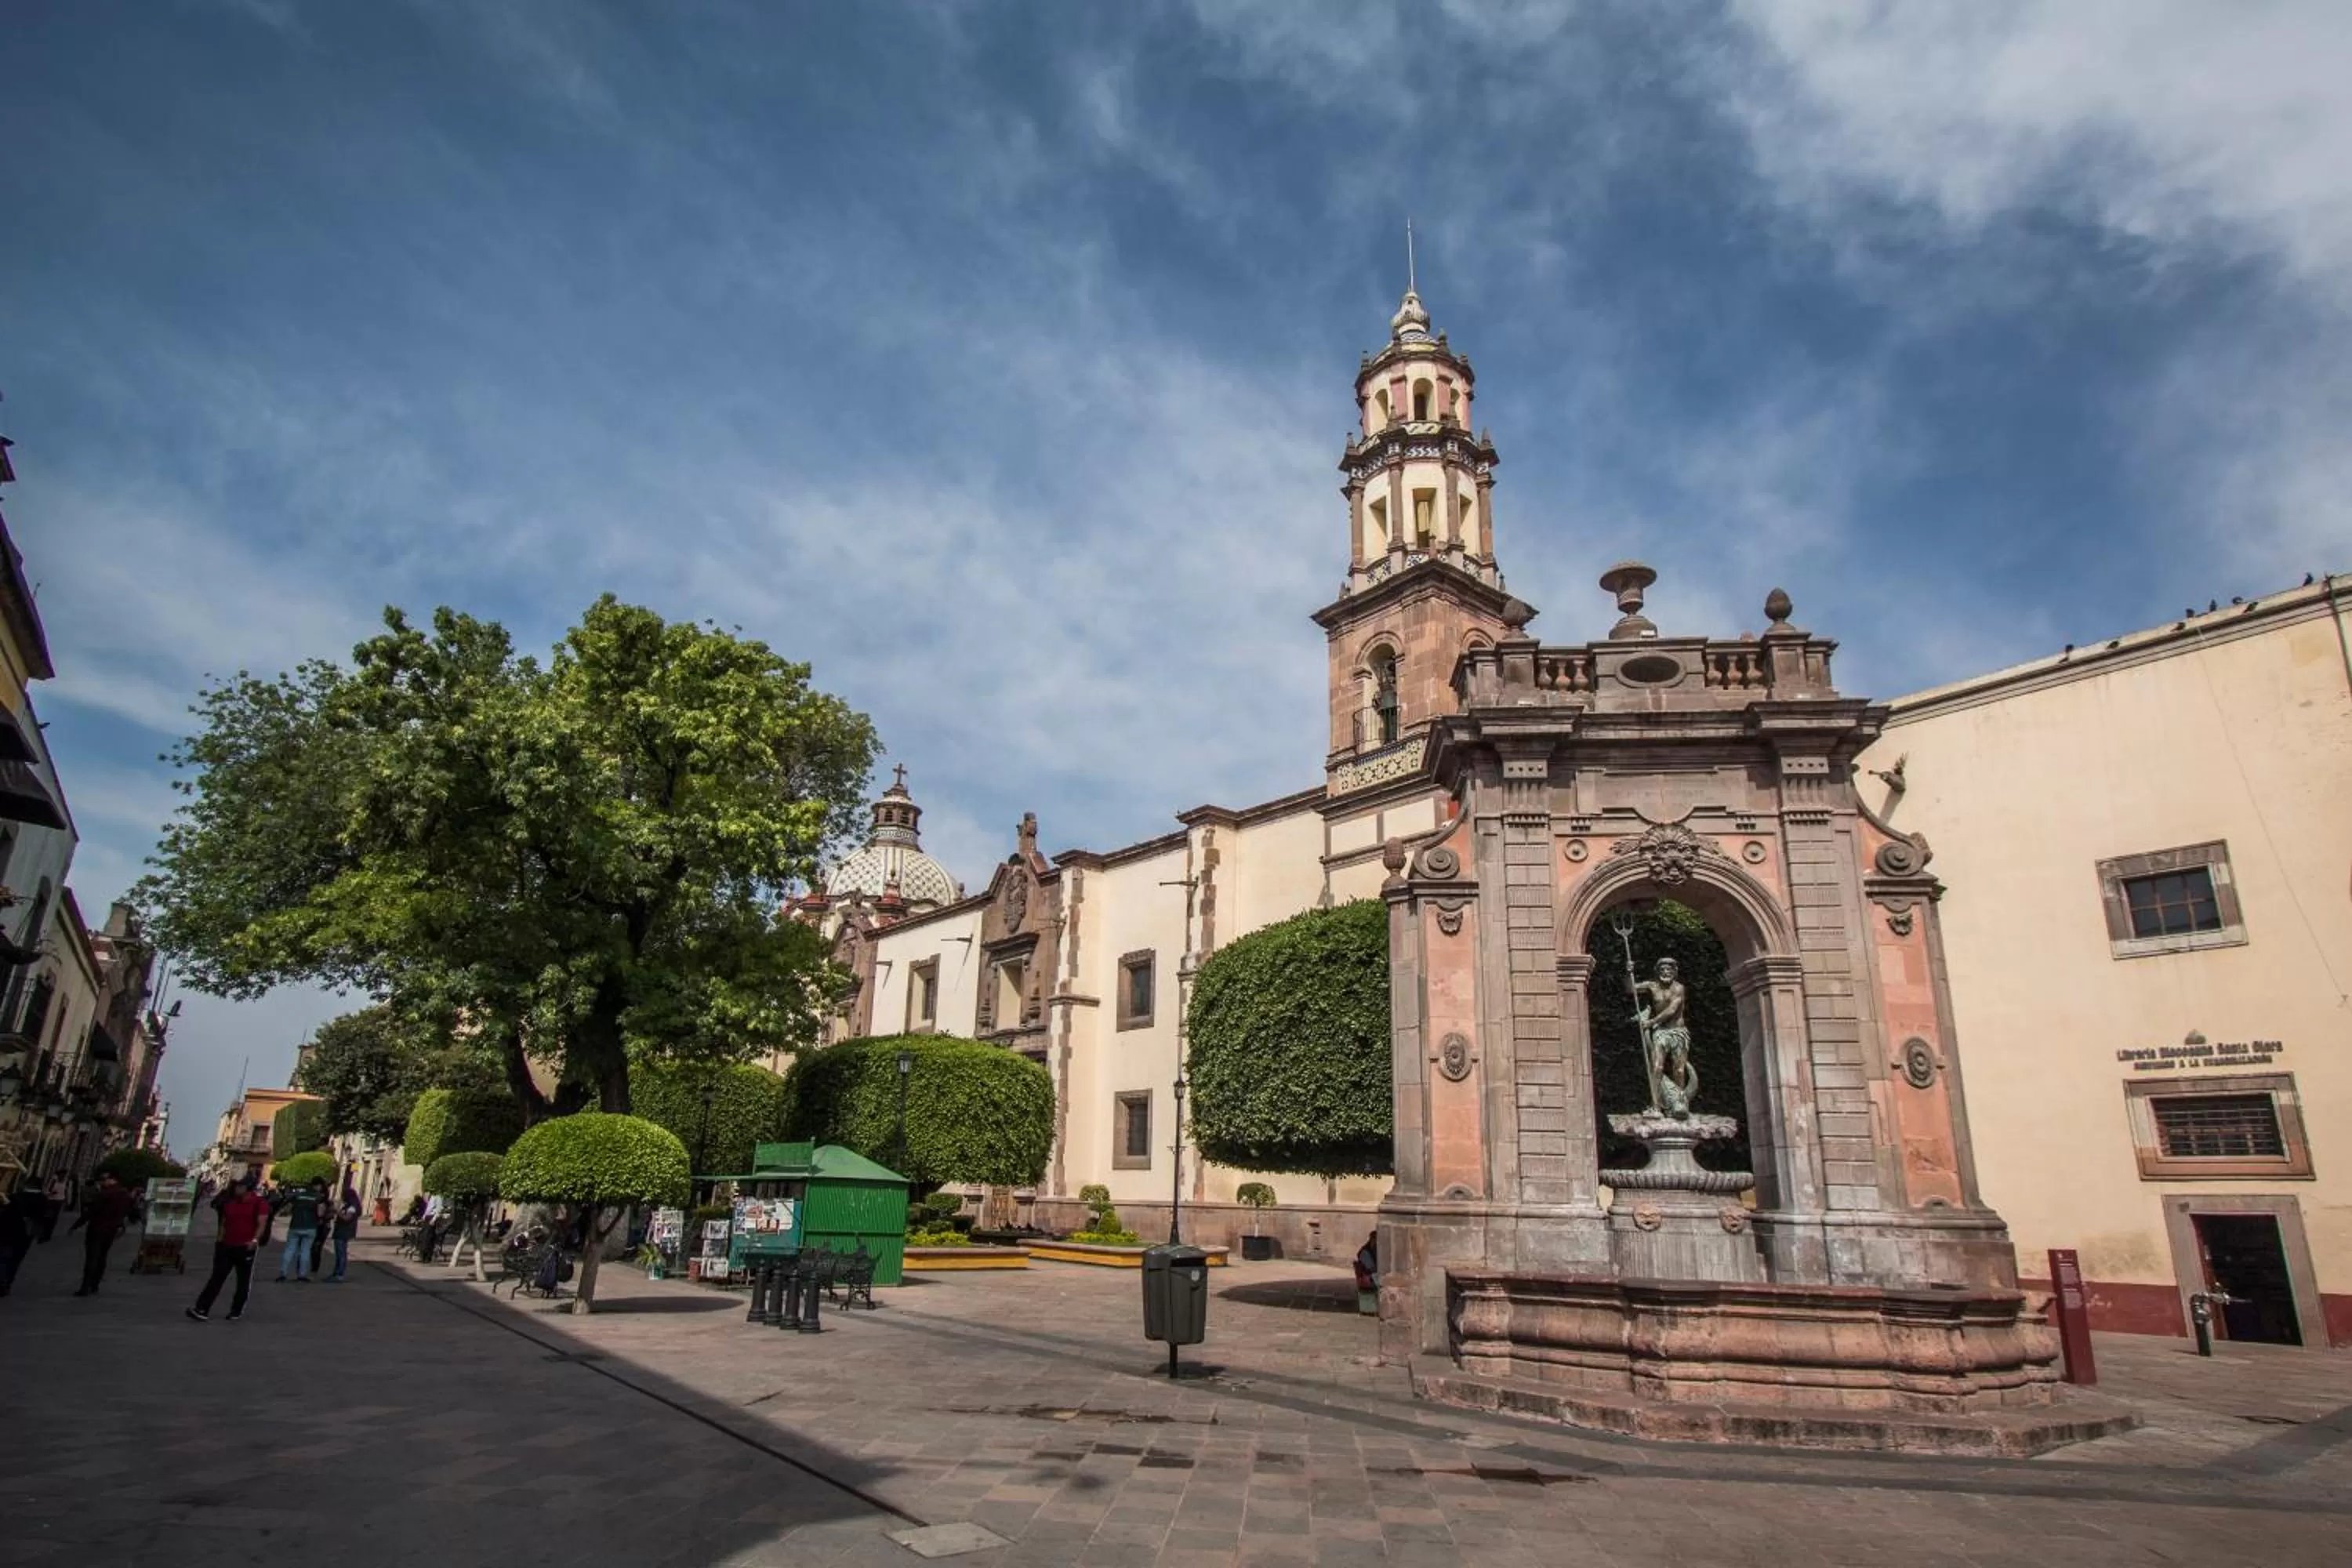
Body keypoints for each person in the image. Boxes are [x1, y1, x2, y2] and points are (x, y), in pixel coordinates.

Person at [188, 1176, 270, 1322]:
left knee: (243, 1281)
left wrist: (255, 1240)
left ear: (248, 1188)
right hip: (227, 1245)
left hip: (246, 1247)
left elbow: (261, 1224)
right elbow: (224, 1223)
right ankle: (202, 1309)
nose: (237, 1189)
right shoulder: (230, 1203)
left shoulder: (259, 1203)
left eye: (241, 1187)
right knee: (216, 1278)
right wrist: (219, 1240)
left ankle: (236, 1311)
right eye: (237, 1186)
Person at [69, 1171, 140, 1297]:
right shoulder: (125, 1195)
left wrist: (75, 1226)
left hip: (97, 1229)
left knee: (92, 1258)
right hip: (112, 1230)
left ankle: (86, 1287)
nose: (101, 1183)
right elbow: (133, 1212)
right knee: (102, 1257)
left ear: (111, 1180)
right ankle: (95, 1284)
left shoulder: (104, 1194)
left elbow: (90, 1213)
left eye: (103, 1180)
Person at [0, 1184, 45, 1296]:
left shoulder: (15, 1197)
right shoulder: (42, 1199)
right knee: (16, 1260)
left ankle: (2, 1281)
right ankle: (8, 1283)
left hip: (9, 1232)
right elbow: (44, 1218)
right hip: (27, 1235)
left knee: (5, 1258)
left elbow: (5, 1214)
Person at [276, 1178, 323, 1282]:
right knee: (305, 1251)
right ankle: (301, 1275)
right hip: (310, 1227)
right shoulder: (318, 1197)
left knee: (289, 1250)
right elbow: (320, 1213)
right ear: (317, 1186)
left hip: (295, 1226)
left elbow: (287, 1209)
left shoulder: (297, 1196)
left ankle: (283, 1273)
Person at [328, 1185, 361, 1282]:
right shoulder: (348, 1205)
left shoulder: (352, 1207)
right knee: (339, 1254)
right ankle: (336, 1273)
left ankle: (339, 1274)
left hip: (344, 1232)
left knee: (341, 1254)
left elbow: (347, 1218)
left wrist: (338, 1212)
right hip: (341, 1231)